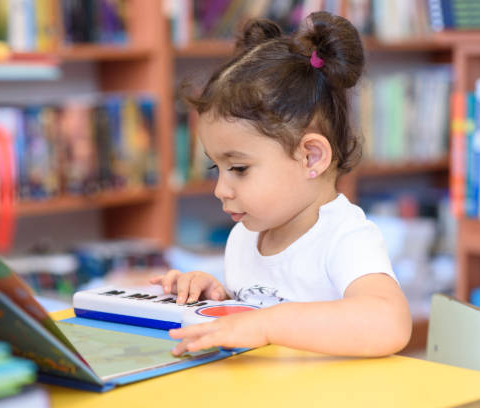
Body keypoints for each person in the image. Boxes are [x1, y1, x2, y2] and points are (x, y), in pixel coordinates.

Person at [150, 11, 411, 357]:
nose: (220, 190)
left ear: (311, 157)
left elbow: (388, 322)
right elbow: (258, 319)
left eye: (239, 168)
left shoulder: (345, 238)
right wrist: (218, 299)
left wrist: (267, 324)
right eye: (218, 167)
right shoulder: (246, 236)